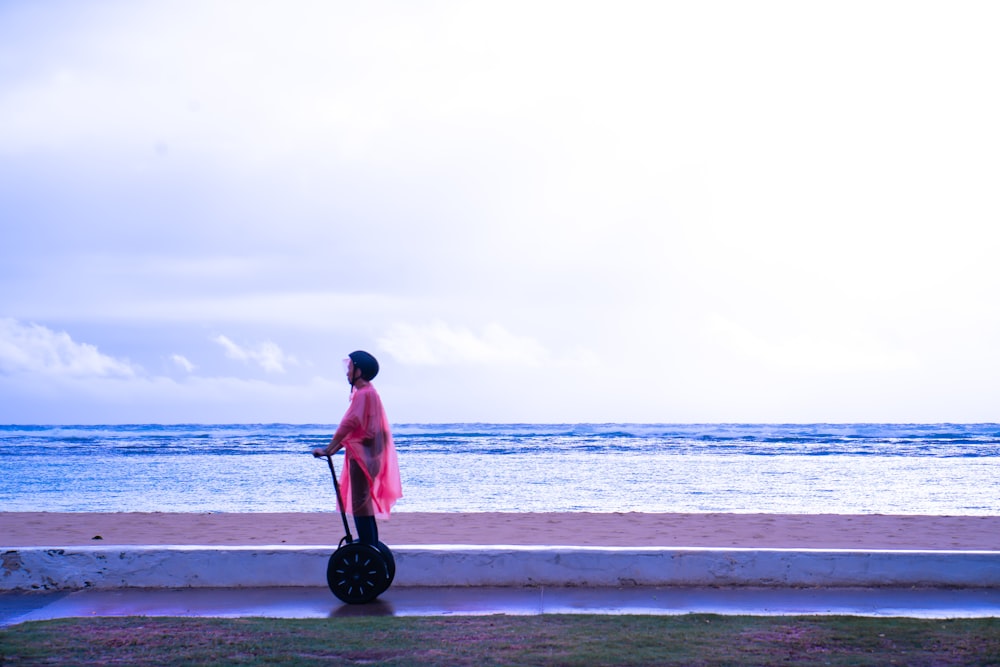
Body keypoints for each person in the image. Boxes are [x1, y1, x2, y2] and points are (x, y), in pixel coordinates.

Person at [313, 350, 402, 546]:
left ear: (359, 371)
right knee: (363, 501)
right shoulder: (371, 393)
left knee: (359, 502)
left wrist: (328, 449)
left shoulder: (364, 394)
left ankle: (367, 544)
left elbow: (349, 424)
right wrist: (332, 450)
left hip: (362, 456)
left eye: (350, 369)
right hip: (370, 456)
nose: (347, 373)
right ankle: (370, 541)